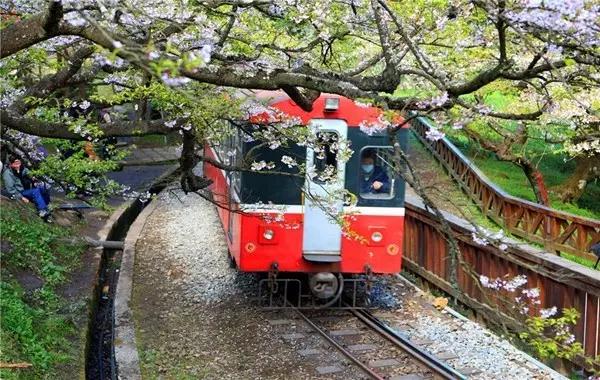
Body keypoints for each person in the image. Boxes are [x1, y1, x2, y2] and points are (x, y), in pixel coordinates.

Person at [2, 156, 52, 220]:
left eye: (19, 163)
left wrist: (33, 178)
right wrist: (21, 197)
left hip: (27, 189)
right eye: (16, 163)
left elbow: (29, 173)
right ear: (11, 164)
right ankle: (42, 211)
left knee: (43, 188)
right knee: (35, 191)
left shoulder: (23, 169)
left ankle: (46, 206)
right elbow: (10, 189)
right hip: (20, 191)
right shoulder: (8, 173)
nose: (18, 165)